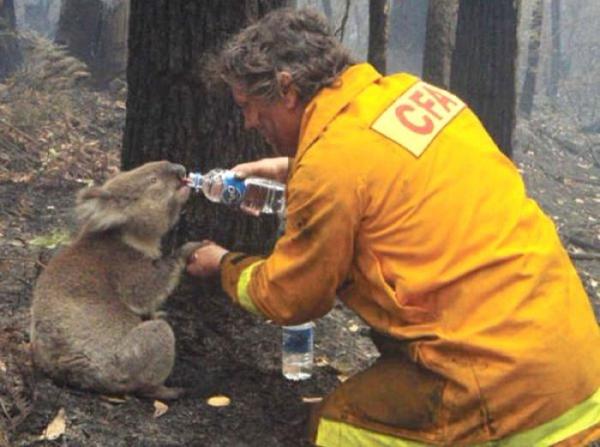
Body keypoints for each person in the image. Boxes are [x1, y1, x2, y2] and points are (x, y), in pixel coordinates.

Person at [186, 7, 600, 446]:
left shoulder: (331, 167)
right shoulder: (412, 95)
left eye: (249, 106)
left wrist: (223, 265)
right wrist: (291, 168)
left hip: (500, 385)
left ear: (286, 89)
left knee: (338, 427)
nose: (250, 123)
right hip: (575, 360)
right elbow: (382, 171)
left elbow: (291, 296)